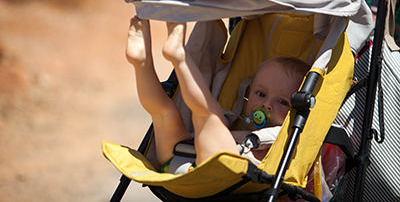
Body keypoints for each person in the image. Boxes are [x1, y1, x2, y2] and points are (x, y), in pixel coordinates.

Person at [126, 16, 310, 172]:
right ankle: (141, 62)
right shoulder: (238, 121)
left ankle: (179, 58)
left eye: (282, 102)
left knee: (207, 114)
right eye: (260, 94)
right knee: (164, 113)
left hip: (220, 173)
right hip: (177, 160)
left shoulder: (287, 137)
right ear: (248, 91)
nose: (267, 105)